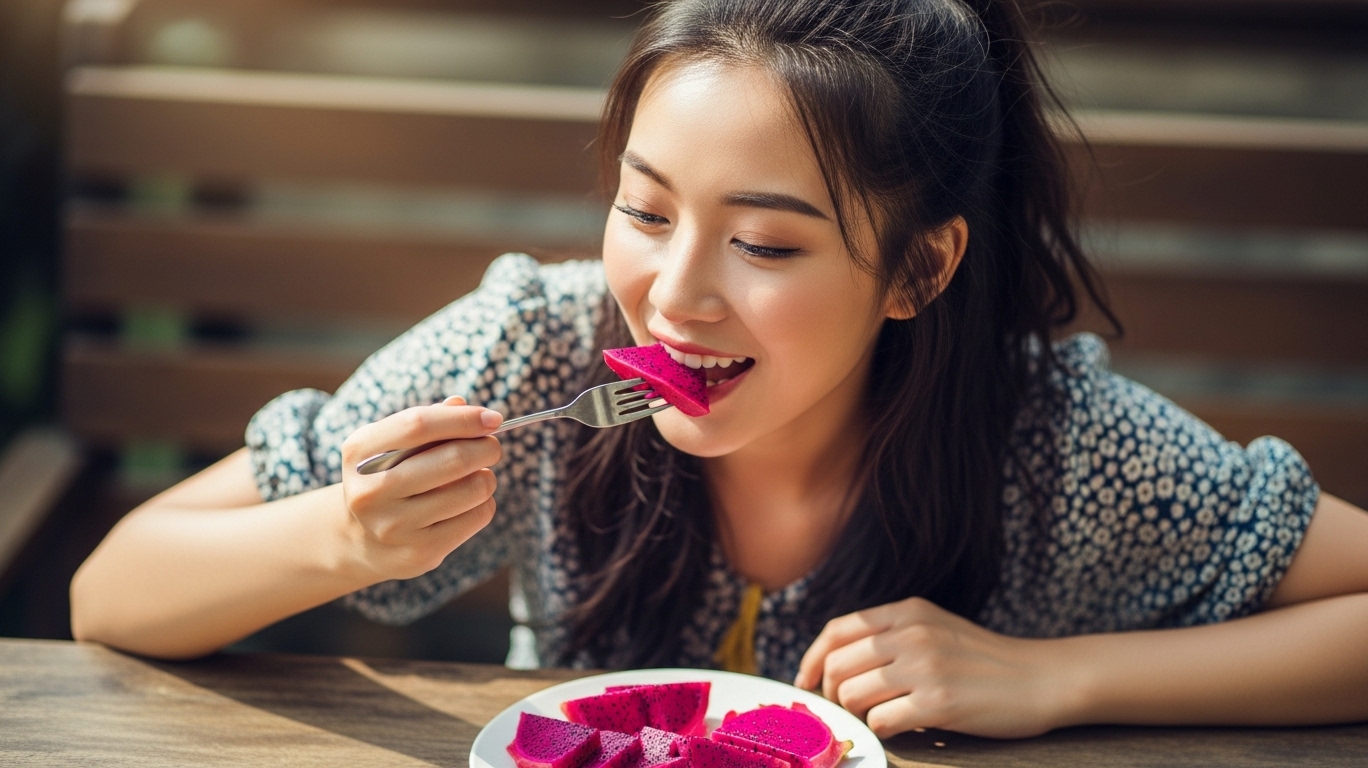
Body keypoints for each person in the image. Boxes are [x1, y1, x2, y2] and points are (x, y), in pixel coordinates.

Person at [70, 0, 1368, 738]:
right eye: (644, 212)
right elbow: (112, 593)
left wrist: (1063, 677)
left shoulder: (1053, 443)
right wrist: (340, 540)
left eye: (760, 241)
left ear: (919, 271)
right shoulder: (540, 350)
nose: (675, 293)